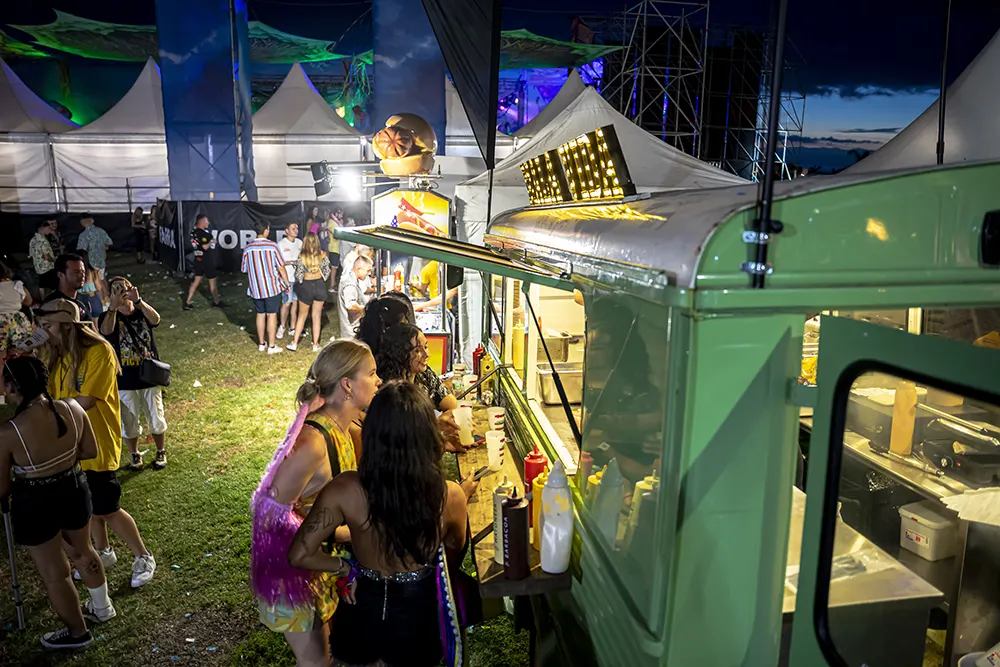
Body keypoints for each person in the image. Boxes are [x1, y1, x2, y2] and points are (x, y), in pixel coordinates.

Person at [288, 381, 472, 667]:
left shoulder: (345, 488)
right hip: (418, 614)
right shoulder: (451, 496)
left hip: (363, 609)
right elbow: (453, 557)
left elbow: (299, 553)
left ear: (372, 433)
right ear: (426, 434)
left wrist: (345, 567)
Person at [250, 340, 380, 667]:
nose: (379, 381)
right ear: (347, 385)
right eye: (372, 373)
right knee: (316, 663)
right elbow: (270, 515)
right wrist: (340, 558)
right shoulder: (313, 442)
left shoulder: (348, 428)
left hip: (316, 561)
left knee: (329, 656)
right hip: (290, 572)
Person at [37, 299, 157, 589]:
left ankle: (143, 556)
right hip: (69, 443)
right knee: (87, 506)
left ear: (66, 326)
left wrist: (48, 413)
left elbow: (86, 401)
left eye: (47, 326)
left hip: (96, 441)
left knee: (107, 506)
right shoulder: (54, 353)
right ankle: (103, 551)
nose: (43, 332)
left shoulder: (99, 351)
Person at [0, 357, 117, 650]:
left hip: (35, 500)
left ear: (13, 387)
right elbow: (89, 449)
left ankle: (78, 633)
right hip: (74, 487)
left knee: (56, 573)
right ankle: (102, 607)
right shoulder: (73, 408)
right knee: (84, 551)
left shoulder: (8, 432)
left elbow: (2, 487)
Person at [100, 278, 167, 471]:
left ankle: (160, 450)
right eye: (116, 290)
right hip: (125, 379)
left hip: (148, 375)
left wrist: (138, 301)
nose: (122, 293)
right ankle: (135, 454)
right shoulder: (109, 315)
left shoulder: (140, 311)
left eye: (125, 288)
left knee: (156, 416)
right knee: (128, 421)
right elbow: (105, 332)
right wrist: (113, 308)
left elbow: (156, 320)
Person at [241, 222, 290, 354]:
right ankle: (272, 346)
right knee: (272, 314)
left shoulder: (248, 248)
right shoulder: (272, 246)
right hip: (271, 287)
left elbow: (244, 269)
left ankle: (261, 343)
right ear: (266, 230)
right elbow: (281, 267)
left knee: (260, 314)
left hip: (255, 288)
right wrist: (287, 283)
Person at [288, 233, 331, 353]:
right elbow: (327, 272)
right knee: (316, 316)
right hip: (319, 286)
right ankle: (315, 345)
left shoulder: (301, 256)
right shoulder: (322, 255)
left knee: (302, 315)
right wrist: (319, 277)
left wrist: (303, 280)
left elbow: (298, 275)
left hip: (306, 286)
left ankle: (295, 343)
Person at [183, 214, 223, 310]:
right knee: (212, 283)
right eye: (206, 221)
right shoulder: (203, 234)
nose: (208, 223)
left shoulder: (193, 232)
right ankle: (216, 302)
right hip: (206, 260)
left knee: (196, 282)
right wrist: (211, 241)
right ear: (202, 222)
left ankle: (187, 302)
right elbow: (205, 246)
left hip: (197, 259)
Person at [42, 253, 92, 322]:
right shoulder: (52, 304)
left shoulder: (83, 301)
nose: (82, 276)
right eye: (76, 272)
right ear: (60, 275)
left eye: (83, 271)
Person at [75, 214, 112, 306]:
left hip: (90, 262)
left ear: (82, 222)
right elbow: (109, 243)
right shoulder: (101, 231)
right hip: (101, 260)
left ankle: (101, 302)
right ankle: (107, 298)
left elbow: (81, 250)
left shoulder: (83, 235)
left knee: (96, 282)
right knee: (102, 279)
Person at [0, 261, 32, 359]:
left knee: (1, 356)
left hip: (1, 324)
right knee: (19, 353)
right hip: (18, 323)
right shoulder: (17, 285)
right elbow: (28, 301)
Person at [277, 222, 303, 341]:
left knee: (295, 303)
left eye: (297, 228)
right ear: (286, 231)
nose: (296, 230)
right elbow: (278, 262)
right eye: (293, 228)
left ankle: (292, 327)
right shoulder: (281, 244)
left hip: (298, 279)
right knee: (286, 303)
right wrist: (291, 262)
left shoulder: (299, 243)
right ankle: (282, 326)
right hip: (287, 279)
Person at [338, 255, 373, 339]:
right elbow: (350, 305)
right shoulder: (350, 285)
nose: (369, 273)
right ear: (358, 269)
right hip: (351, 332)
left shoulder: (351, 277)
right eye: (368, 271)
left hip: (353, 329)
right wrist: (366, 310)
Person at [30, 218, 59, 295]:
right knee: (53, 285)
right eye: (48, 227)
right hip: (47, 267)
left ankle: (43, 300)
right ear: (42, 228)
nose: (50, 229)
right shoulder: (42, 240)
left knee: (42, 284)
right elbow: (46, 257)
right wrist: (55, 260)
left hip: (38, 268)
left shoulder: (33, 239)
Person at [77, 251, 104, 328]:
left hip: (81, 298)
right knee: (97, 323)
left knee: (86, 324)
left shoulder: (77, 272)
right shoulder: (92, 271)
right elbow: (98, 287)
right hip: (92, 297)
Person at [325, 210, 342, 293]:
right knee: (334, 268)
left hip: (335, 248)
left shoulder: (333, 222)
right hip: (334, 248)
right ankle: (331, 286)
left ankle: (333, 285)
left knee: (334, 268)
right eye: (340, 213)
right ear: (335, 214)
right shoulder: (333, 223)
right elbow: (336, 235)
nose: (342, 215)